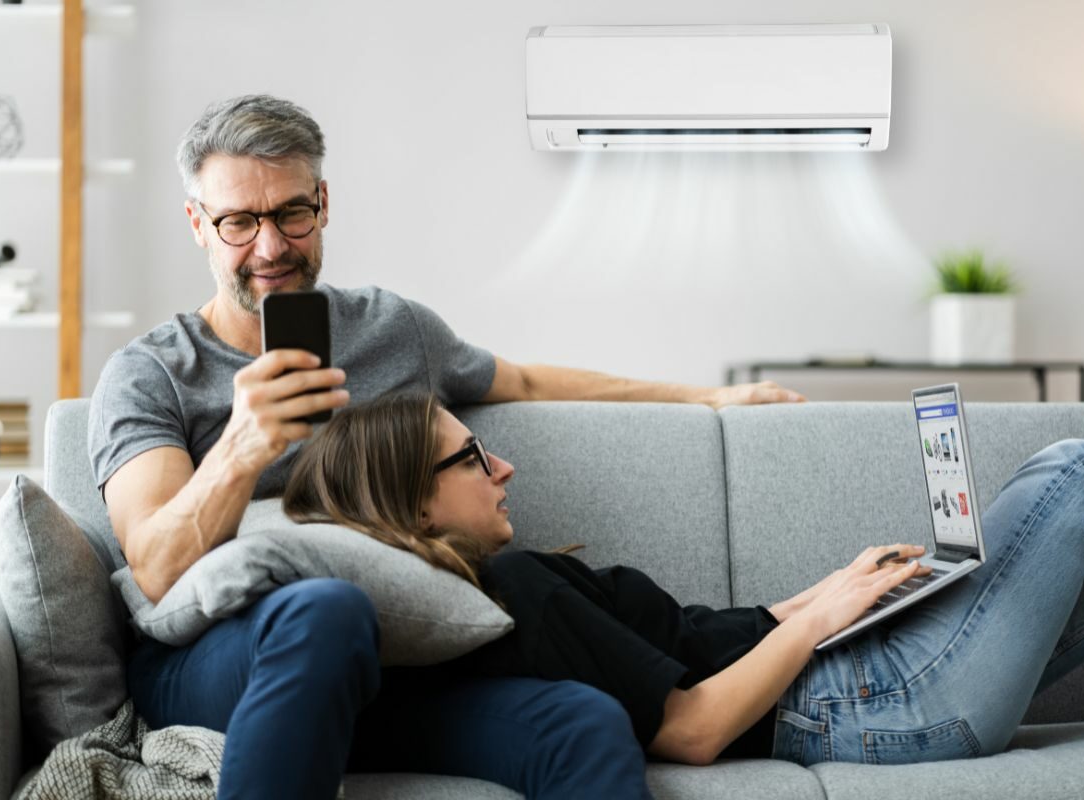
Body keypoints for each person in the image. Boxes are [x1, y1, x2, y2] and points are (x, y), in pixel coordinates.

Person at [87, 94, 804, 800]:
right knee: (326, 611)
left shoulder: (392, 330)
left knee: (580, 720)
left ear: (324, 203)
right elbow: (154, 566)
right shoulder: (151, 375)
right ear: (198, 224)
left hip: (399, 670)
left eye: (291, 214)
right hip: (223, 664)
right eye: (239, 222)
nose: (270, 247)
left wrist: (708, 398)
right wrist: (242, 449)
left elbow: (521, 378)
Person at [284, 390, 1084, 766]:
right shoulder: (514, 591)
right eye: (473, 457)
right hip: (867, 705)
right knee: (1076, 465)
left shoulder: (510, 582)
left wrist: (824, 592)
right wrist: (820, 621)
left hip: (860, 674)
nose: (504, 467)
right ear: (415, 503)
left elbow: (697, 639)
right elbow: (691, 728)